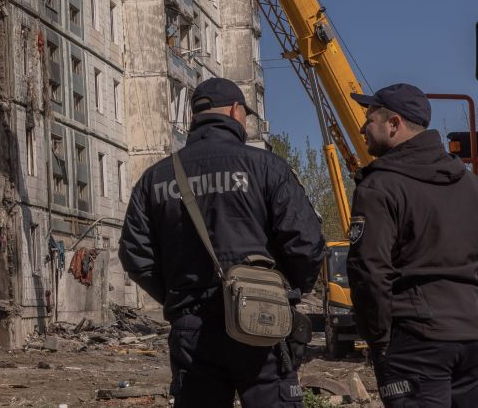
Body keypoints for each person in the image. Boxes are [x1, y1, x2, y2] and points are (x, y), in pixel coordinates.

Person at [118, 78, 324, 407]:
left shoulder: (156, 177)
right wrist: (285, 293)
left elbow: (136, 257)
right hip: (261, 318)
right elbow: (306, 243)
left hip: (192, 326)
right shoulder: (266, 167)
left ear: (195, 117)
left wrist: (179, 297)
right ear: (235, 111)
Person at [346, 83, 478, 406]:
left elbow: (370, 272)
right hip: (472, 335)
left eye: (370, 119)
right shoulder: (469, 183)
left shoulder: (379, 187)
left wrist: (378, 341)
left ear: (394, 124)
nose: (362, 128)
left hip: (417, 341)